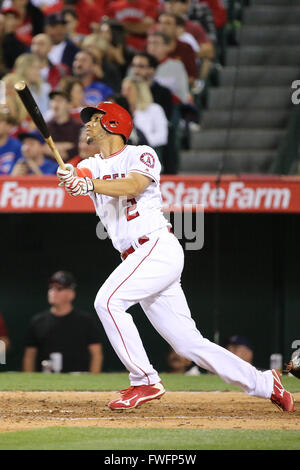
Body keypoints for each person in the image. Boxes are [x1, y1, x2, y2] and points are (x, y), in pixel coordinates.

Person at [56, 101, 295, 412]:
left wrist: (85, 182)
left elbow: (133, 184)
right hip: (135, 259)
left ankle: (144, 380)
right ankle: (266, 383)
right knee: (188, 343)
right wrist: (71, 178)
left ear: (113, 123)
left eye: (95, 119)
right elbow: (79, 180)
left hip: (156, 247)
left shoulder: (141, 154)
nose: (87, 124)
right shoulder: (92, 165)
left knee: (107, 301)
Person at [23, 270, 103, 373]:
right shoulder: (38, 321)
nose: (52, 292)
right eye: (51, 288)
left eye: (59, 288)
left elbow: (96, 354)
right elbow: (29, 356)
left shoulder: (86, 321)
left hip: (79, 380)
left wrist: (93, 379)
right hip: (45, 380)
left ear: (71, 294)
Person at [121, 76, 168, 152]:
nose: (124, 93)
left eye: (129, 89)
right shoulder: (121, 112)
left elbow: (162, 137)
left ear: (140, 91)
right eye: (123, 89)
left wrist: (138, 142)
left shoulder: (154, 109)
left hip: (147, 153)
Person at [46, 89, 82, 162]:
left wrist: (52, 147)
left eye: (59, 100)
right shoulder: (47, 126)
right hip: (50, 168)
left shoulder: (77, 126)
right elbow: (42, 148)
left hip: (72, 167)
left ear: (69, 105)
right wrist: (67, 145)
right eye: (53, 100)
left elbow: (75, 150)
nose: (55, 104)